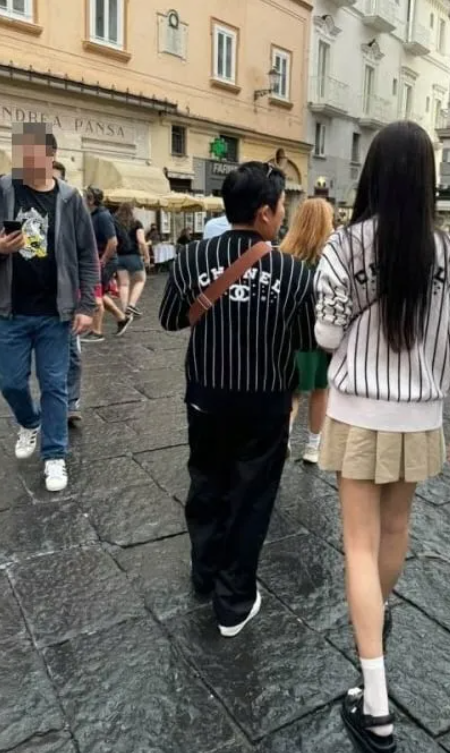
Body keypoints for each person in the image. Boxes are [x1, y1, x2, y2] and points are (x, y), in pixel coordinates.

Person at [314, 121, 450, 752]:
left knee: (357, 546)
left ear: (373, 173)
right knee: (392, 533)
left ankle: (376, 701)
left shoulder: (344, 244)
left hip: (358, 409)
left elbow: (326, 335)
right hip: (420, 415)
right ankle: (375, 626)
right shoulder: (447, 252)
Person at [159, 162, 315, 638]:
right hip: (265, 404)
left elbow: (170, 319)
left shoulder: (192, 257)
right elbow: (309, 346)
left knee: (206, 484)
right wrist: (305, 394)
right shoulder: (294, 273)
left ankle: (205, 573)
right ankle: (233, 602)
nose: (283, 216)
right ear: (264, 212)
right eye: (282, 207)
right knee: (251, 499)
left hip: (206, 396)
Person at [0, 123, 98, 492]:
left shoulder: (70, 199)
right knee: (10, 382)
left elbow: (87, 255)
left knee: (55, 384)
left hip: (55, 313)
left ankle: (54, 455)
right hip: (11, 310)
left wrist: (86, 305)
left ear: (51, 156)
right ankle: (29, 421)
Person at [281, 198, 333, 464]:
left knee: (292, 392)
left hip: (289, 335)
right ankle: (313, 445)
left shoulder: (284, 256)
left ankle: (285, 435)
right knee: (320, 390)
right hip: (320, 335)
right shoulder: (330, 258)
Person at [51, 160, 88, 428]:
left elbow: (87, 255)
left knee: (72, 353)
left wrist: (88, 300)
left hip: (68, 296)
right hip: (35, 298)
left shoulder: (74, 210)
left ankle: (70, 403)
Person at [82, 187, 131, 342]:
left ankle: (96, 332)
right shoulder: (93, 215)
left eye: (85, 197)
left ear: (91, 200)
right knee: (100, 294)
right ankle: (121, 318)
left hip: (104, 261)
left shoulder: (103, 216)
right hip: (98, 260)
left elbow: (113, 242)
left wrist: (103, 260)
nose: (82, 199)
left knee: (95, 294)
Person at [114, 203, 150, 319]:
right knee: (141, 280)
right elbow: (141, 241)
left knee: (123, 284)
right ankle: (131, 305)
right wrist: (147, 256)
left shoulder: (115, 223)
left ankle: (125, 310)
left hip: (119, 257)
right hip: (133, 256)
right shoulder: (136, 223)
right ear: (132, 210)